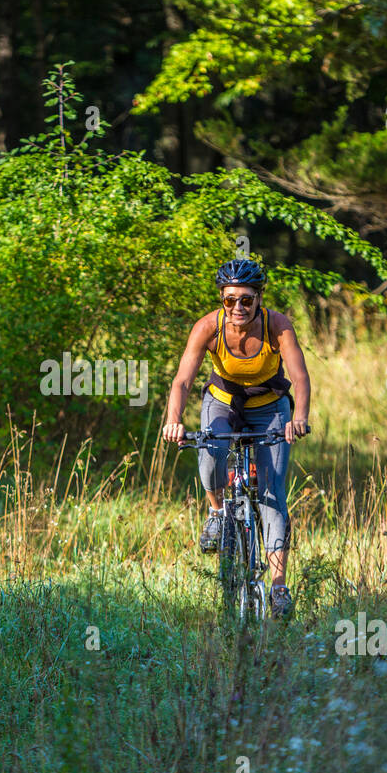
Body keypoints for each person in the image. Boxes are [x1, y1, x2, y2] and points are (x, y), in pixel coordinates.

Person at [161, 259, 311, 618]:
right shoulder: (207, 328)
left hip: (270, 405)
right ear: (221, 300)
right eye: (230, 300)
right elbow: (182, 380)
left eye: (246, 300)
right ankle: (216, 512)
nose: (238, 308)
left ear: (259, 298)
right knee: (210, 456)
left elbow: (300, 376)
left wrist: (300, 418)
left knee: (272, 494)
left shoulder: (277, 326)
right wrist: (173, 420)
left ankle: (278, 587)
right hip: (223, 402)